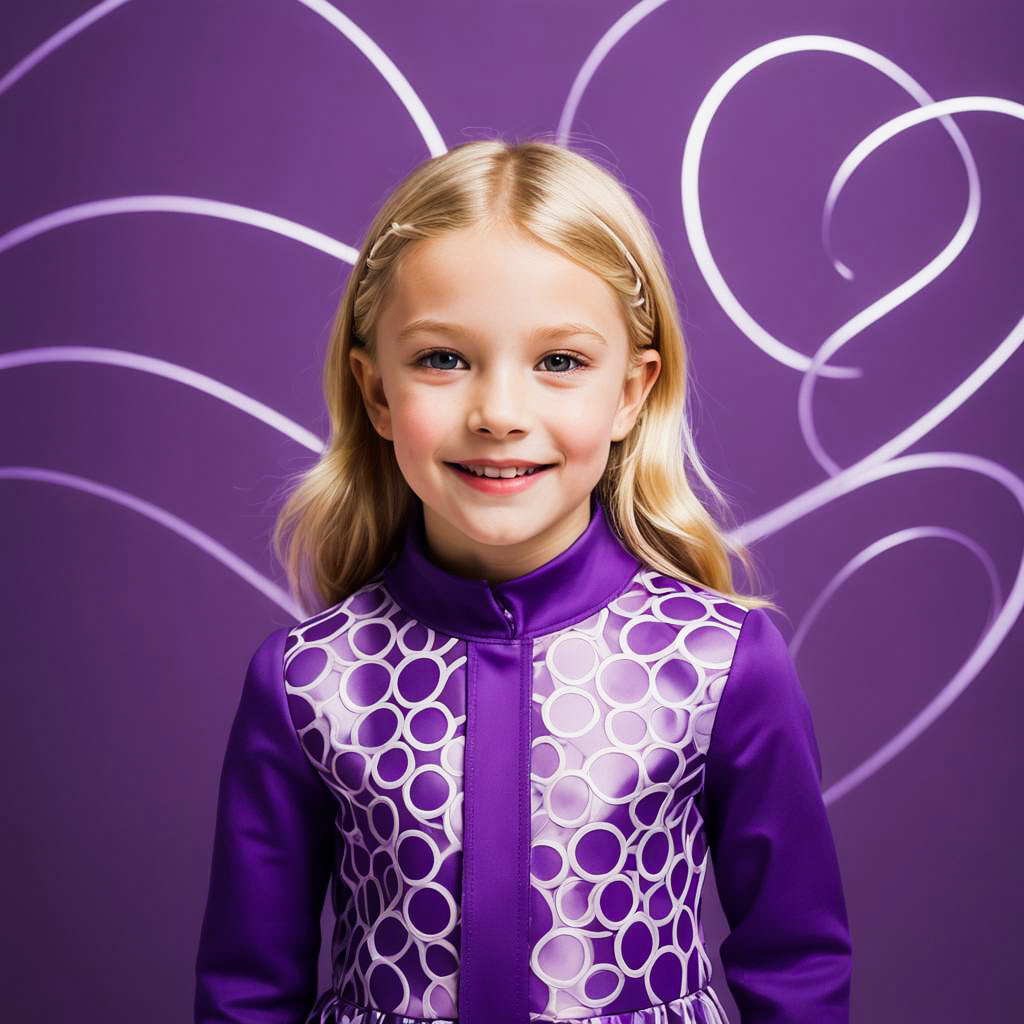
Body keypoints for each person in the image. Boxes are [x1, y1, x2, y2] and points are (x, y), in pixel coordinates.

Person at [194, 137, 853, 1024]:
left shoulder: (721, 664)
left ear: (631, 391)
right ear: (376, 392)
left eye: (559, 362)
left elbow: (798, 964)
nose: (500, 413)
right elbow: (247, 993)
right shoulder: (309, 682)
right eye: (442, 359)